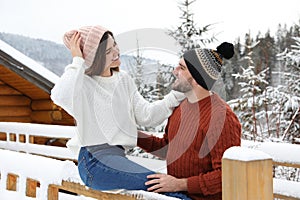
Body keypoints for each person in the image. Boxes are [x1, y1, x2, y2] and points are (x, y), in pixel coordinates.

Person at [50, 25, 191, 200]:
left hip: (117, 158)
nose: (116, 51)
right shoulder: (83, 84)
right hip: (94, 162)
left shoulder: (123, 79)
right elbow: (59, 95)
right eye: (109, 51)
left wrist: (178, 93)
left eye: (115, 45)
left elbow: (147, 115)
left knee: (167, 187)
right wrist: (77, 59)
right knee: (167, 190)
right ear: (96, 58)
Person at [137, 42, 242, 200]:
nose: (174, 71)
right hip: (176, 195)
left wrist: (180, 184)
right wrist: (134, 135)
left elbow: (228, 176)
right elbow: (168, 148)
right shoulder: (181, 107)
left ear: (196, 78)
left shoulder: (221, 117)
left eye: (182, 68)